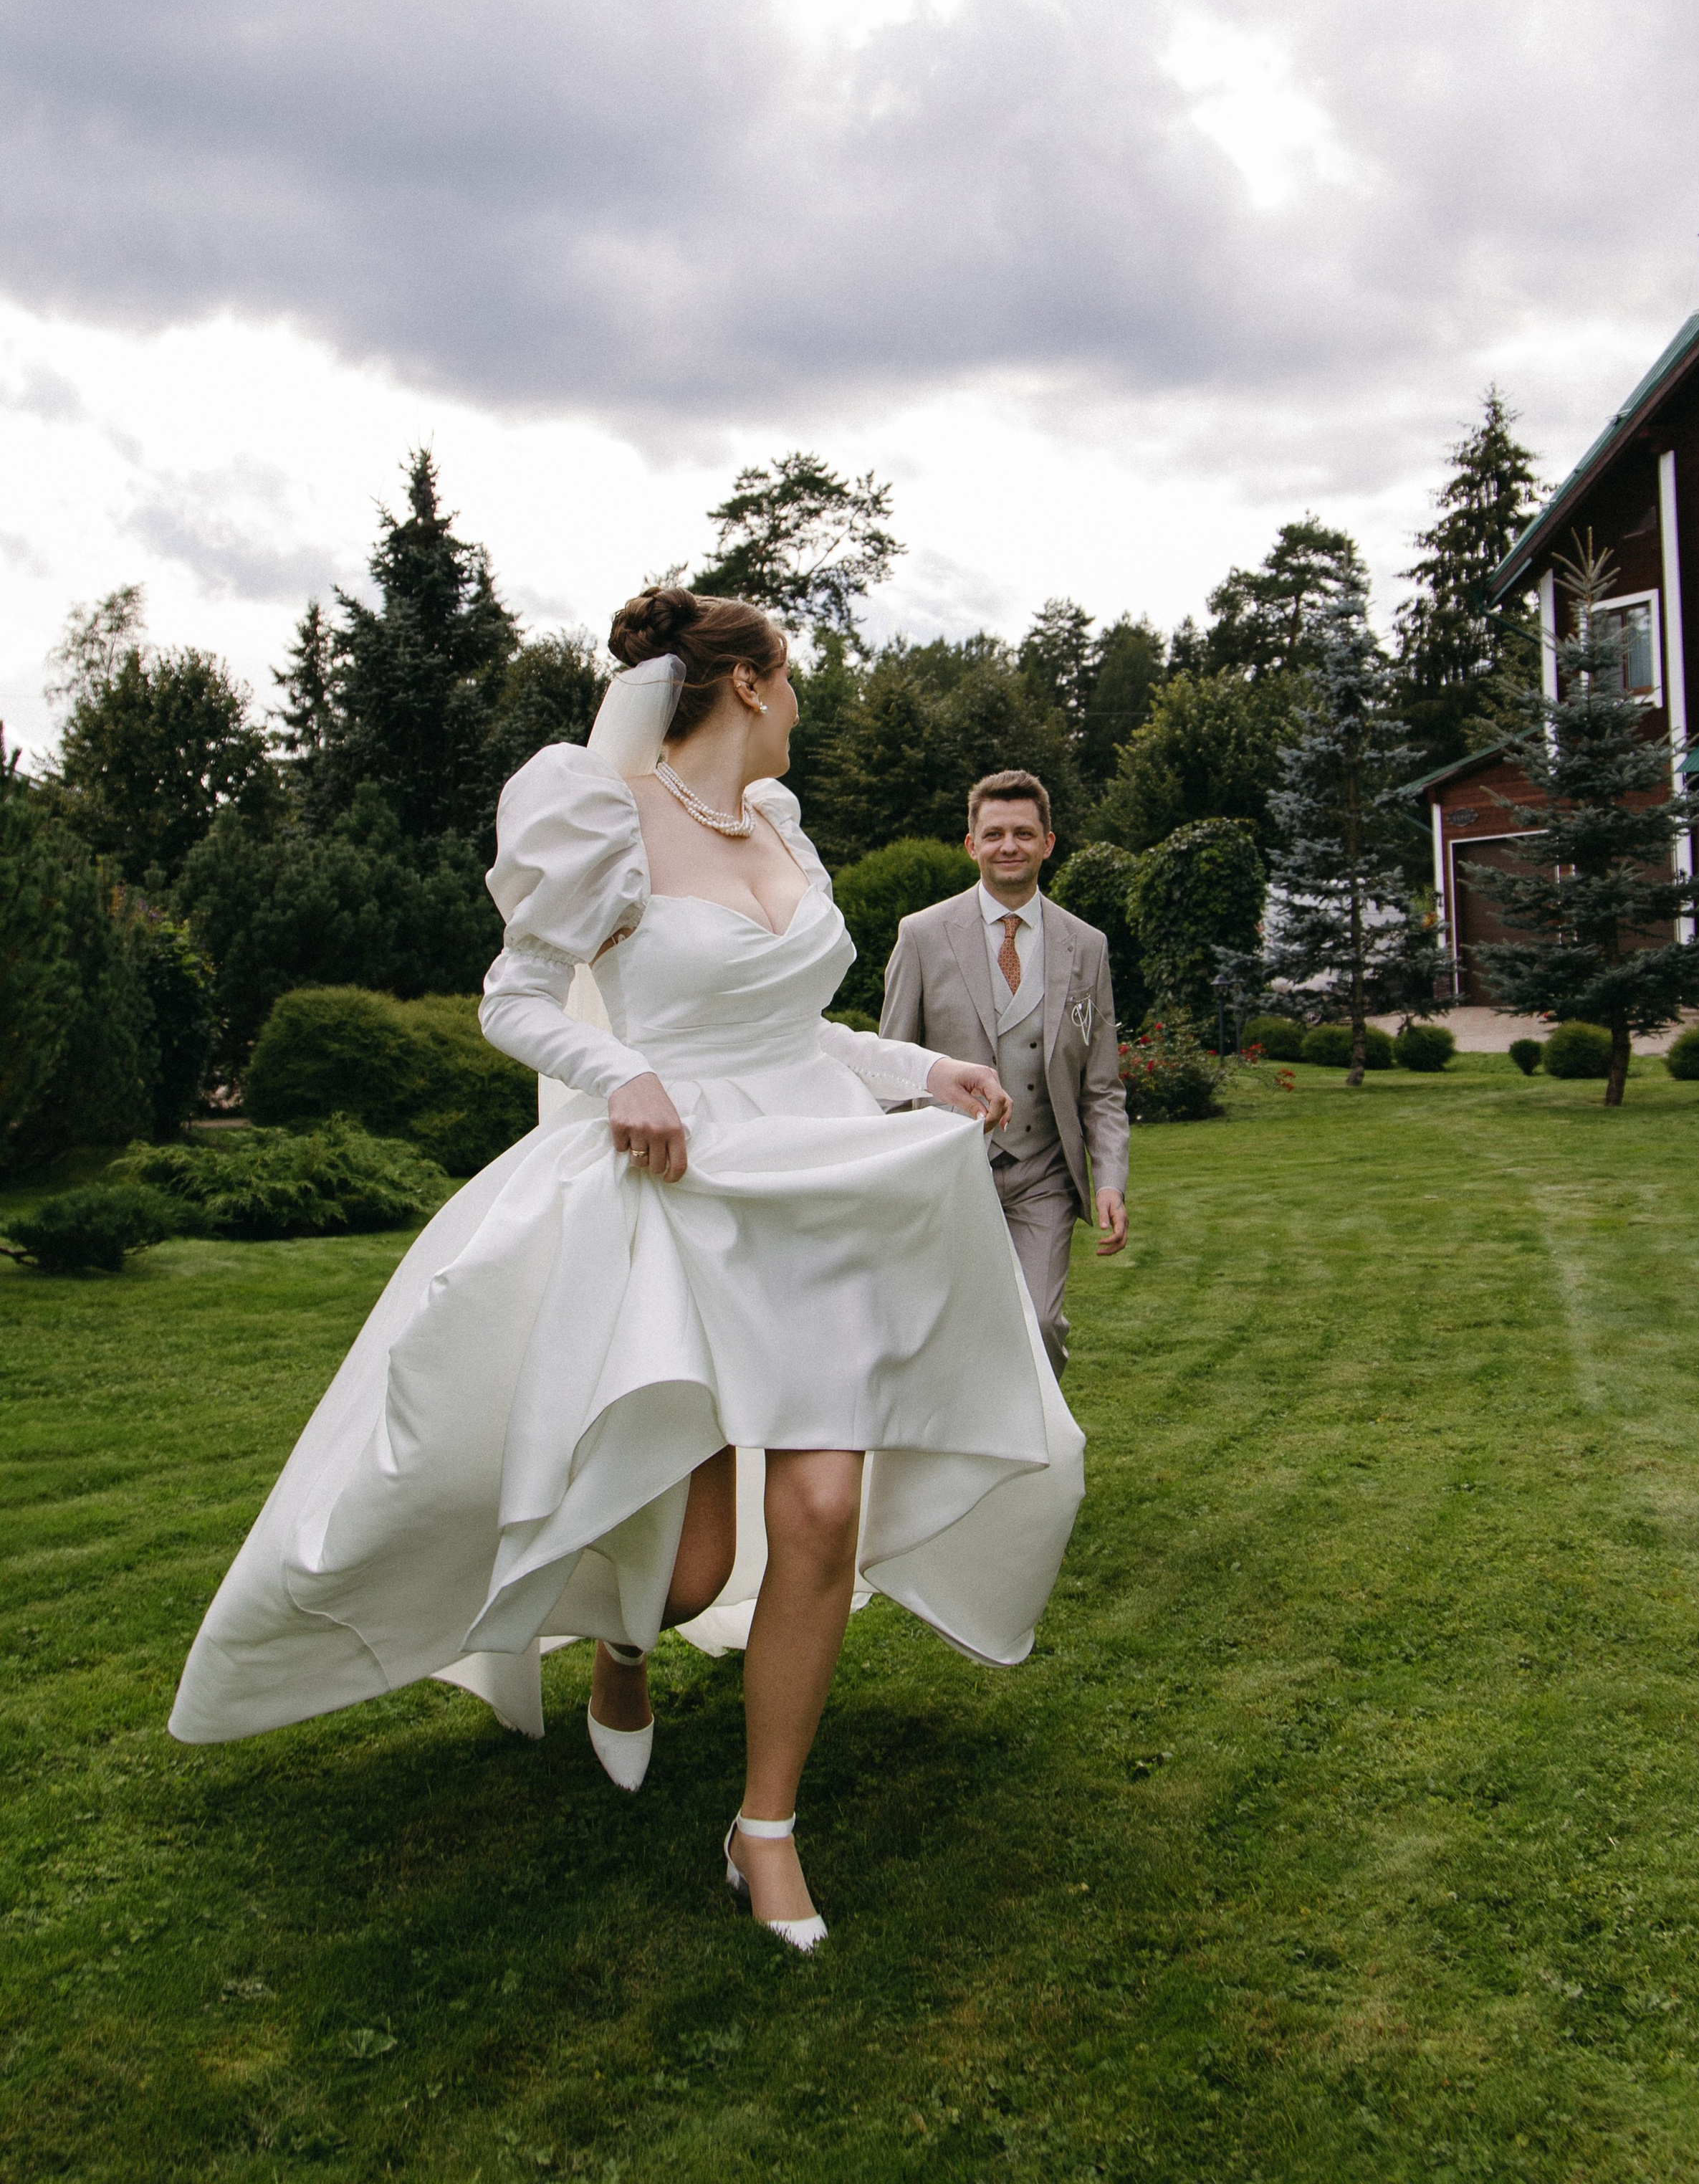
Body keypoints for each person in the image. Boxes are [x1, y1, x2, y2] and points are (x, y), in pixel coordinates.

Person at [168, 591, 1083, 1954]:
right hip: (684, 1195)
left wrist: (916, 1070)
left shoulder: (774, 825)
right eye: (798, 679)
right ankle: (623, 1641)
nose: (806, 703)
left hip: (816, 1189)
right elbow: (516, 999)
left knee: (824, 1506)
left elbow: (789, 1023)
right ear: (751, 685)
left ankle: (764, 1828)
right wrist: (627, 1072)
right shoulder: (600, 814)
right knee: (693, 1568)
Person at [880, 771, 1128, 1377]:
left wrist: (1110, 1179)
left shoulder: (1086, 946)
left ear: (1048, 842)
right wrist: (887, 1178)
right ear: (971, 845)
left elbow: (1102, 1087)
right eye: (994, 834)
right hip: (948, 1168)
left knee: (1039, 1324)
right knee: (946, 1327)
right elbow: (891, 1069)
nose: (1008, 845)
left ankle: (1039, 1460)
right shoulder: (922, 934)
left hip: (1043, 1173)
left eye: (1024, 832)